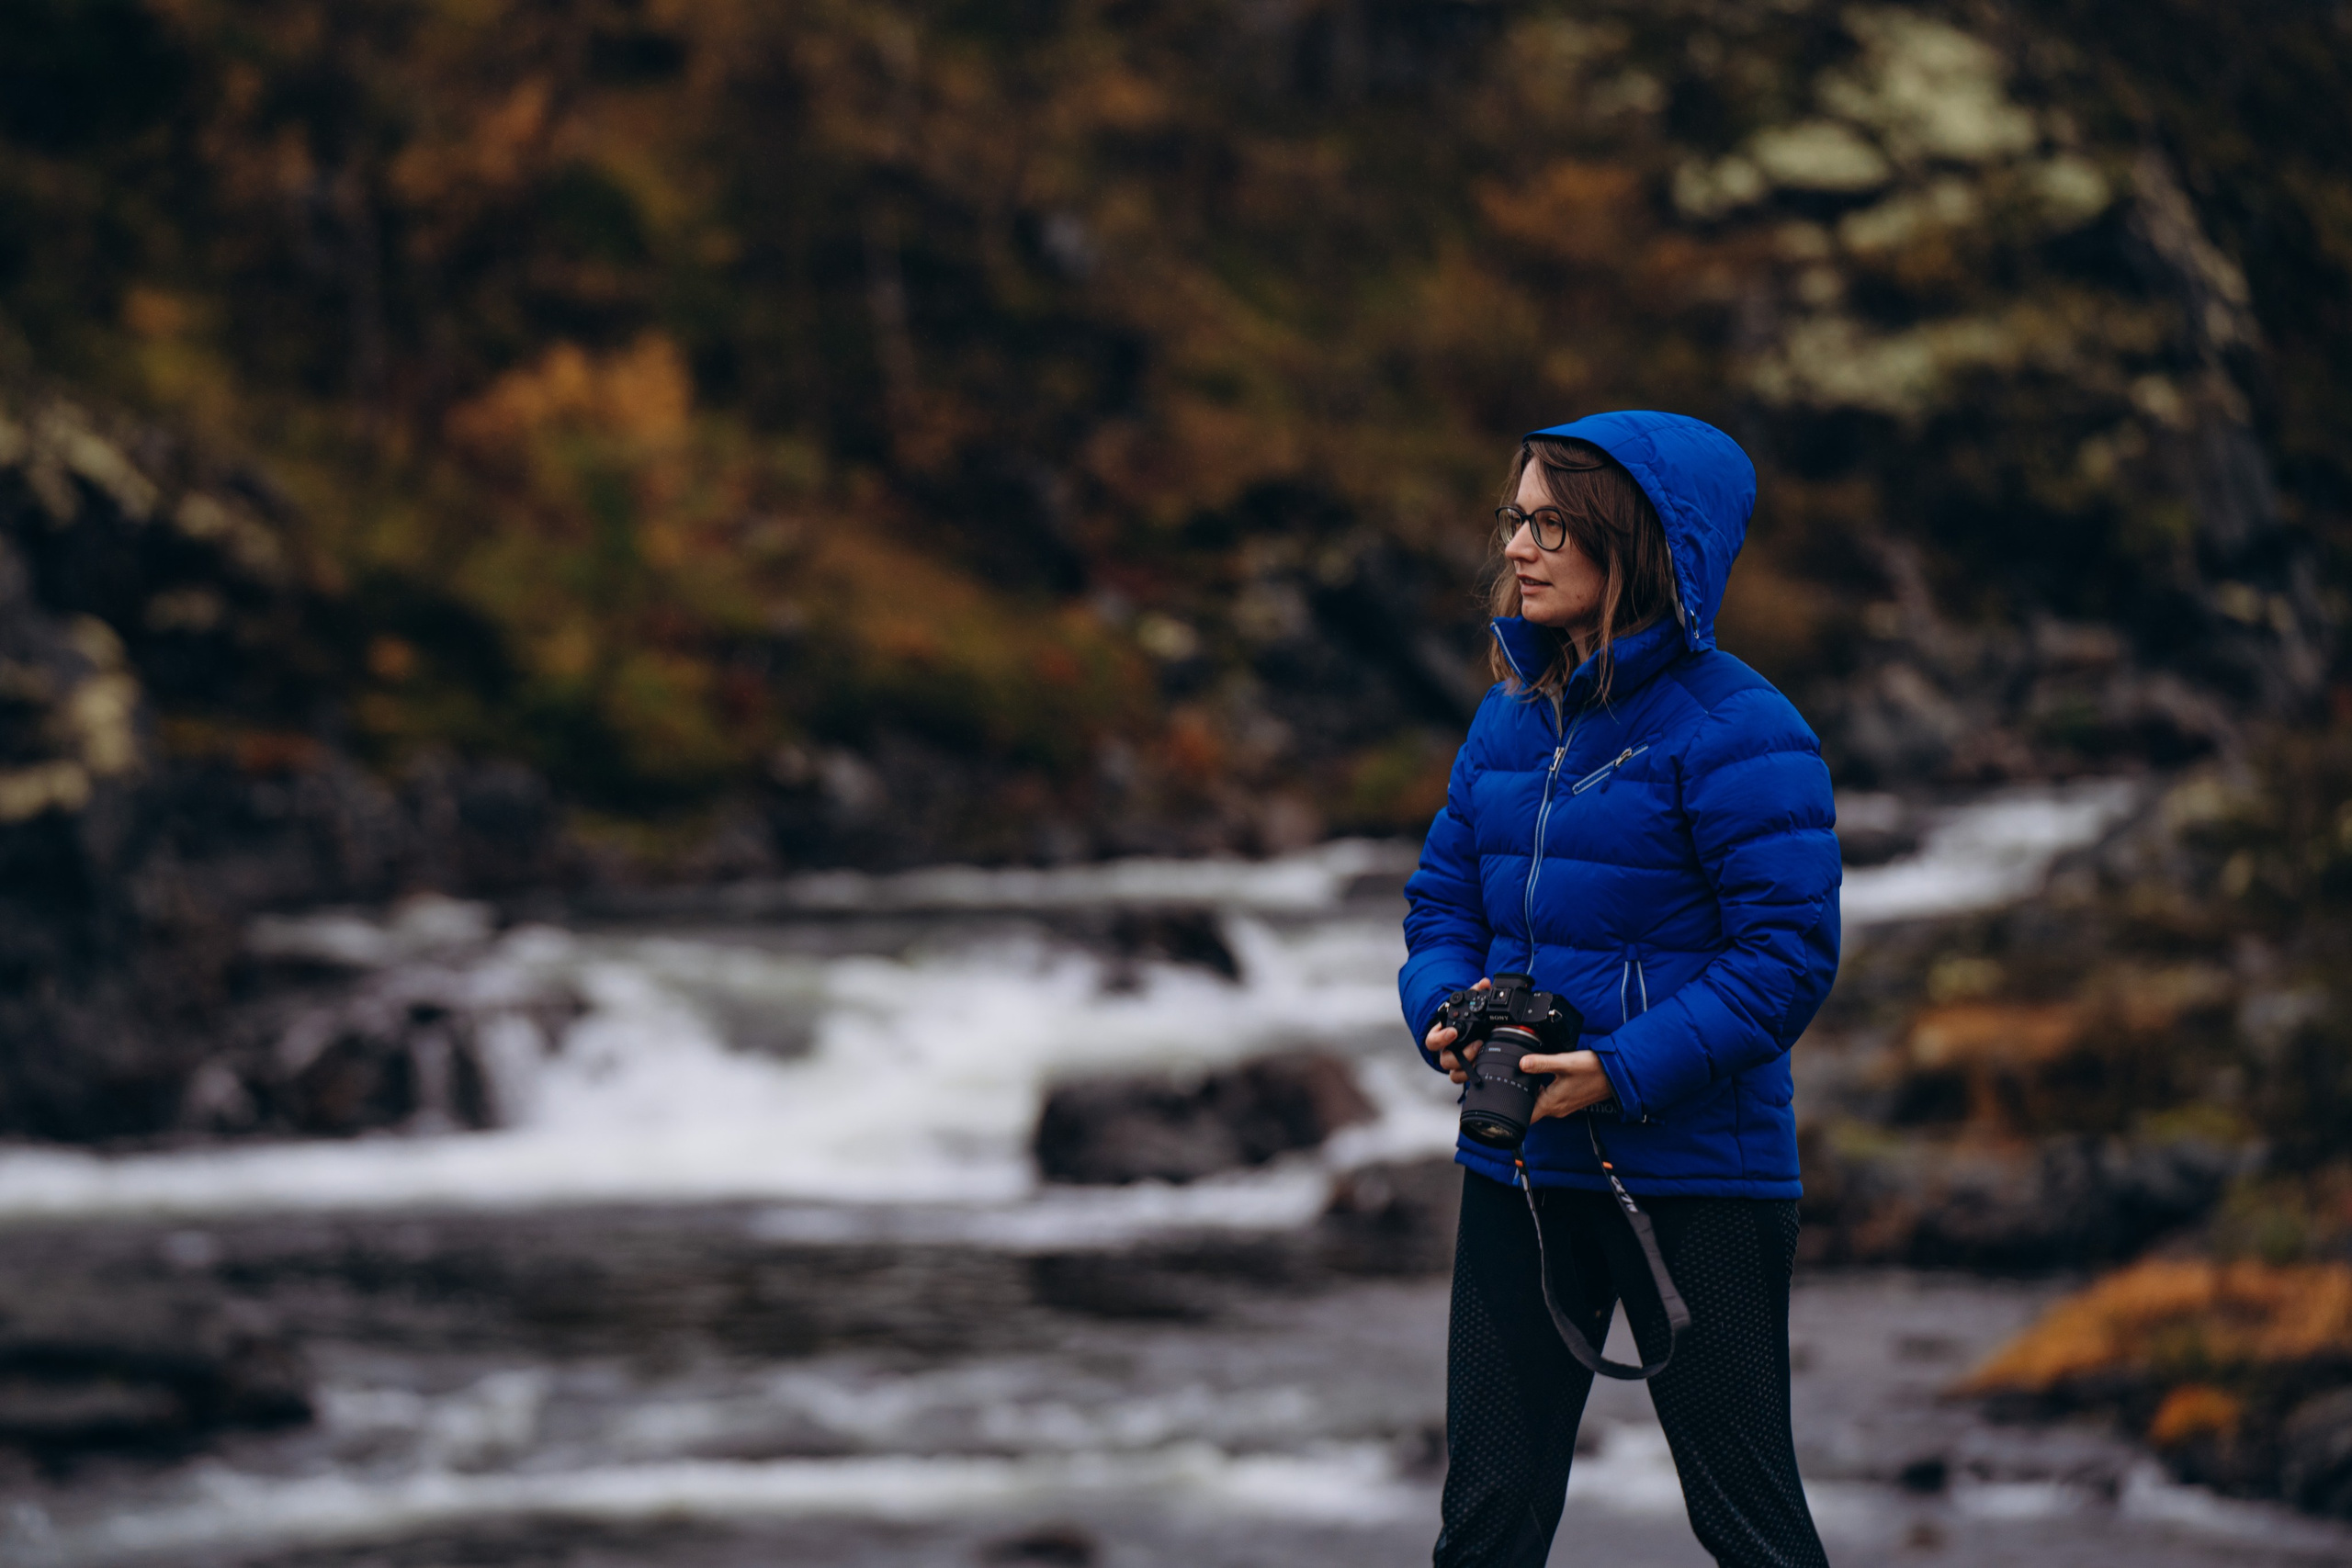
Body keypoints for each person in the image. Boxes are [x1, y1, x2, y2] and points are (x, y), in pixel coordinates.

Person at [1399, 411, 1841, 1567]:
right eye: (1518, 518)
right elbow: (1441, 909)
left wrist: (1618, 1069)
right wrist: (1445, 1015)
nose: (1522, 549)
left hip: (1699, 1178)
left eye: (1555, 524)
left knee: (1746, 1523)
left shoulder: (1742, 729)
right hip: (1518, 1165)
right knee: (1485, 1521)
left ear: (1639, 548)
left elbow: (1786, 957)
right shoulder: (1508, 720)